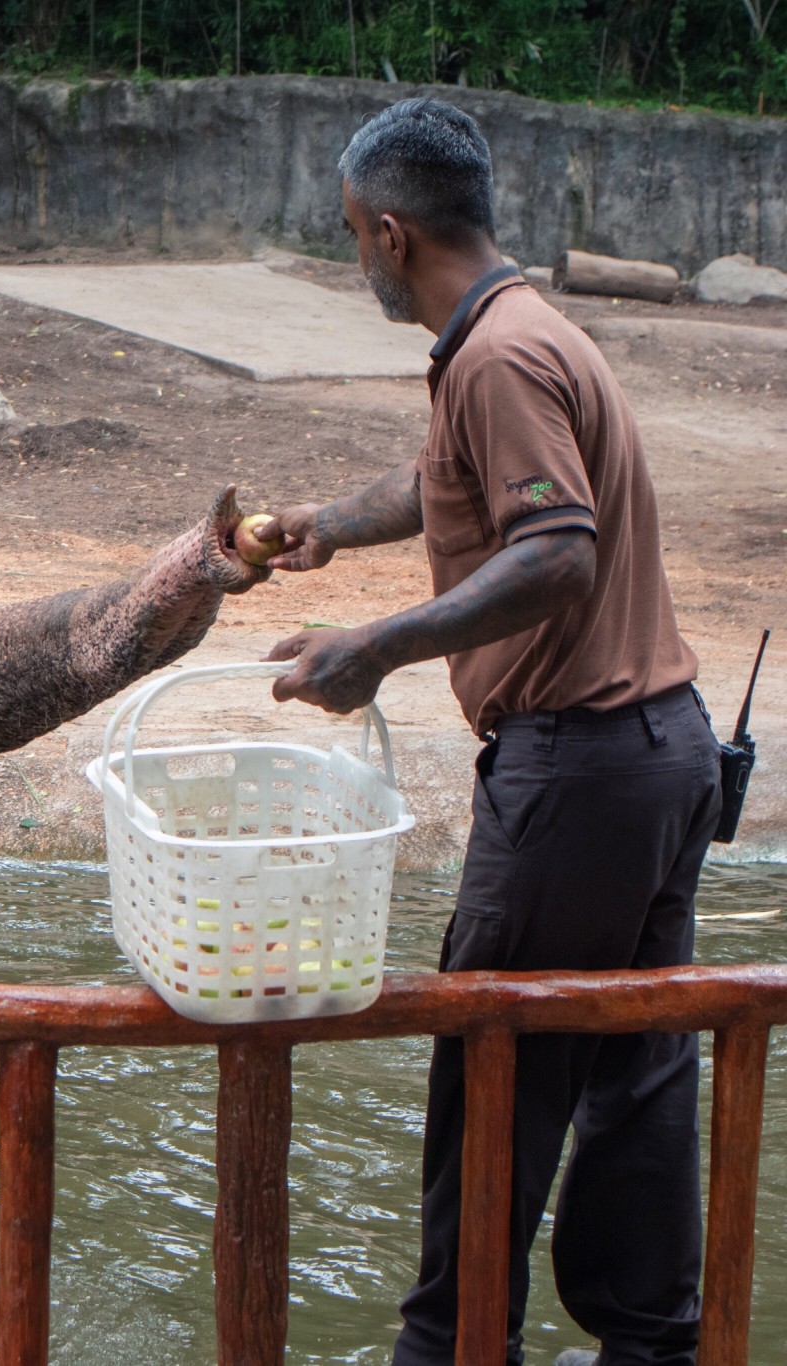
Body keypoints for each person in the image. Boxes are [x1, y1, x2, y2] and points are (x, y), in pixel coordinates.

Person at [258, 98, 721, 1366]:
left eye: (353, 231)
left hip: (576, 770)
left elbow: (555, 547)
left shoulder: (494, 359)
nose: (353, 251)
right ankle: (648, 1344)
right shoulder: (520, 331)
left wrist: (376, 649)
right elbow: (443, 480)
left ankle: (450, 1348)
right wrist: (329, 527)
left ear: (392, 233)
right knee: (634, 1081)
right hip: (659, 754)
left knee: (490, 1066)